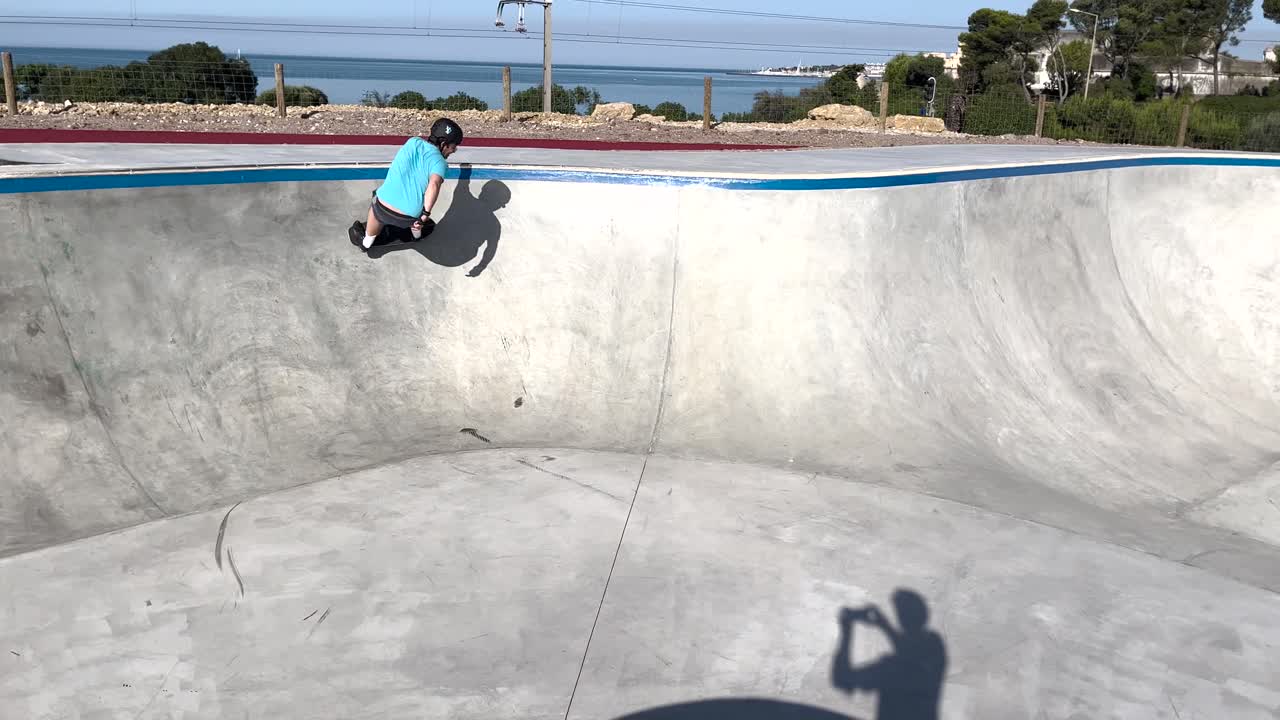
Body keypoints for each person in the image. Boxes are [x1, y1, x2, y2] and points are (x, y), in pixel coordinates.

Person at [349, 117, 463, 251]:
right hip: (409, 217)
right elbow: (434, 185)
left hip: (382, 208)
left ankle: (367, 242)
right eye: (454, 146)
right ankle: (416, 235)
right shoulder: (440, 163)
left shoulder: (412, 142)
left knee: (376, 200)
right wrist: (425, 215)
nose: (454, 150)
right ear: (443, 143)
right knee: (418, 219)